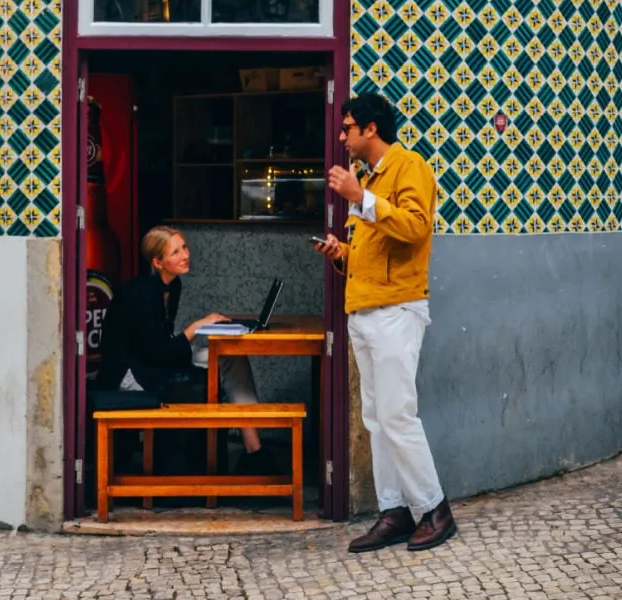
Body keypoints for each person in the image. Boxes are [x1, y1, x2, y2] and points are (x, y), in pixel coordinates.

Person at [317, 93, 457, 553]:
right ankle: (394, 511)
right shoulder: (374, 178)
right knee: (376, 418)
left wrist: (361, 197)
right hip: (366, 308)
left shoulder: (409, 167)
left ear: (370, 129)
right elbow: (376, 251)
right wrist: (343, 254)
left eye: (348, 127)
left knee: (398, 414)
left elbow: (417, 228)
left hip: (397, 309)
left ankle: (435, 510)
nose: (342, 137)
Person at [97, 225, 276, 474]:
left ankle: (252, 445)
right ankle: (245, 453)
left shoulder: (174, 285)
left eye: (185, 247)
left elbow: (163, 344)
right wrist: (196, 327)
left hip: (157, 359)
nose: (185, 255)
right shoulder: (144, 293)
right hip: (131, 372)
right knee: (203, 375)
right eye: (175, 252)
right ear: (158, 262)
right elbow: (154, 353)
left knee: (232, 357)